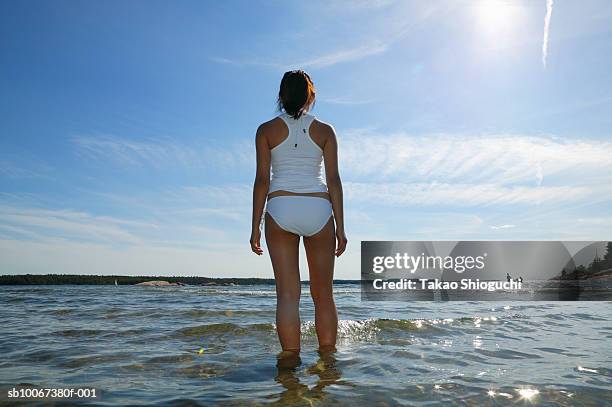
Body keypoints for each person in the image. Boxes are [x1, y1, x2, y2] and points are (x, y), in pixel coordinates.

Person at [250, 69, 347, 360]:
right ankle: (328, 361)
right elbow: (334, 181)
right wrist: (341, 227)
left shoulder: (266, 130)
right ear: (310, 97)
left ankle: (290, 363)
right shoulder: (325, 131)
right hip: (318, 209)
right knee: (323, 296)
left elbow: (262, 181)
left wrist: (255, 226)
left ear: (281, 96)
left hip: (280, 209)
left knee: (288, 296)